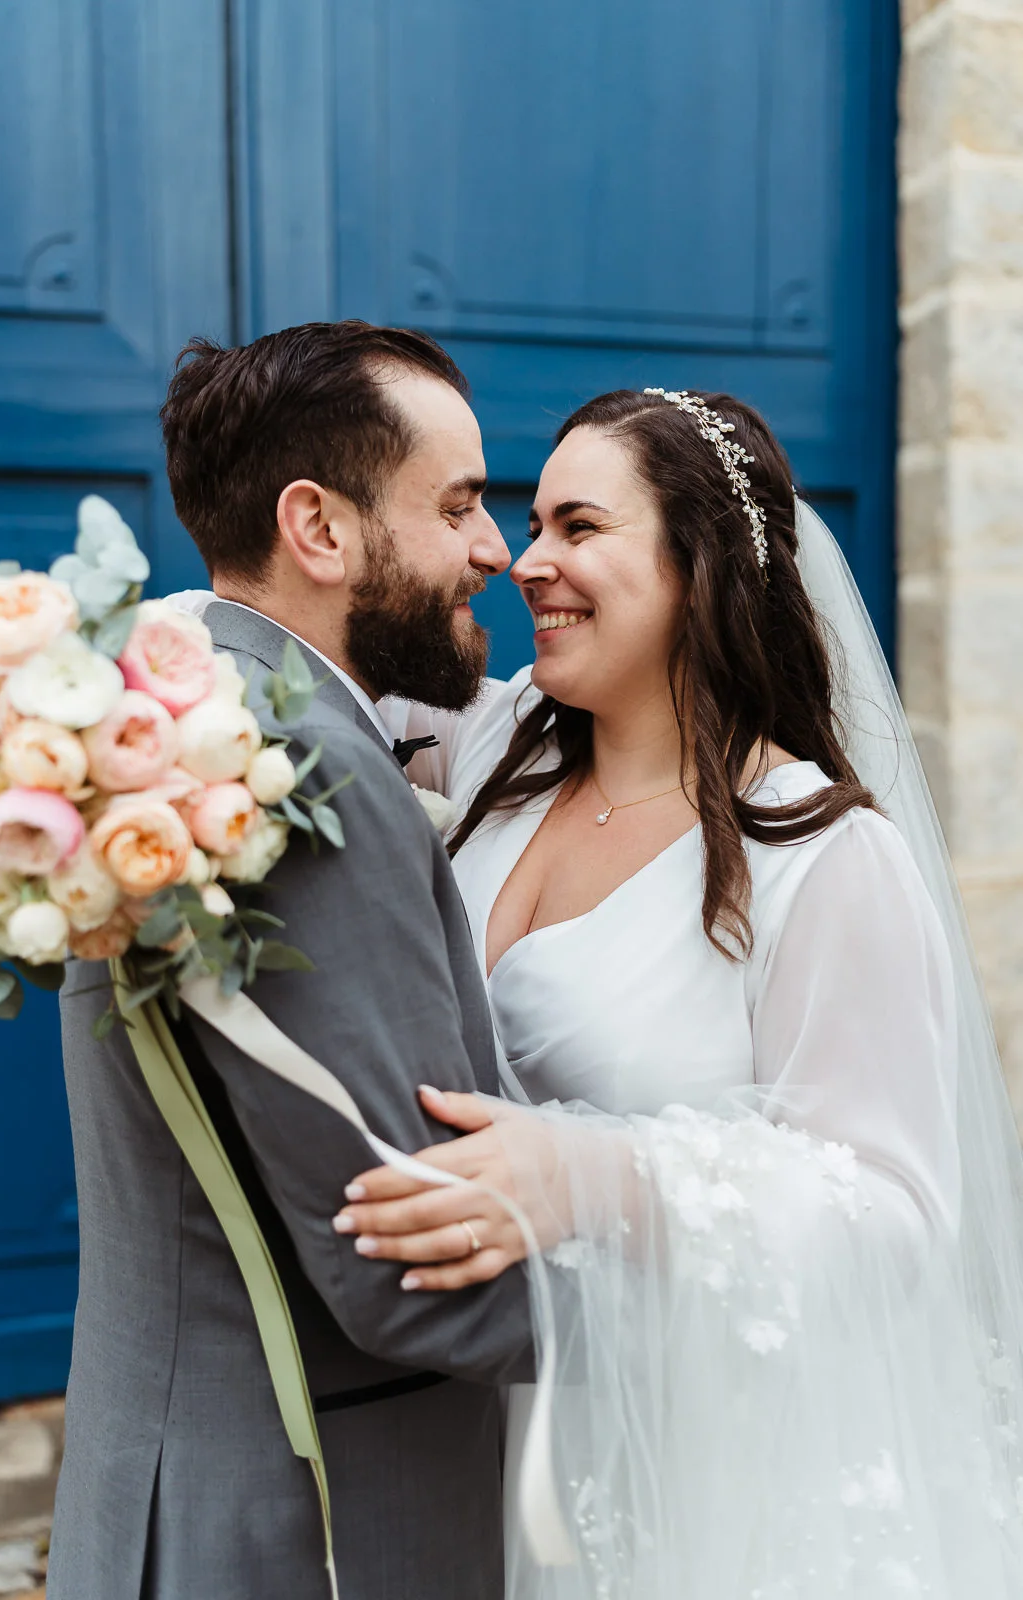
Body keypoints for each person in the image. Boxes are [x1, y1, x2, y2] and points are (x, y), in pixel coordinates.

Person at [337, 387, 1023, 1596]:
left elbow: (896, 1214)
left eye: (578, 527)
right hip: (463, 1434)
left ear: (699, 567)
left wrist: (595, 1176)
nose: (527, 561)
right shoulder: (489, 748)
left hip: (699, 1479)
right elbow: (286, 664)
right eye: (527, 522)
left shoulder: (817, 857)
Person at [51, 321, 535, 1600]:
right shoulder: (299, 766)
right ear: (317, 528)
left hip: (171, 1485)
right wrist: (719, 1281)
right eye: (460, 503)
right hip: (309, 1522)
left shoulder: (165, 725)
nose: (497, 548)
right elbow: (411, 1263)